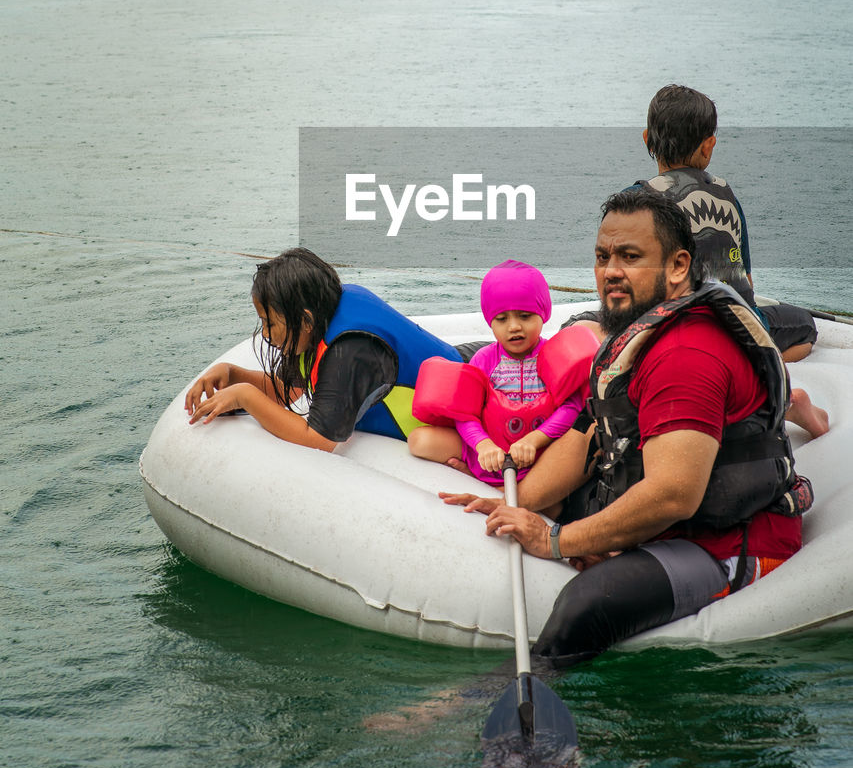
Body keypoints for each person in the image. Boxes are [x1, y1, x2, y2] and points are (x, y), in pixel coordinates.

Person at [442, 188, 813, 666]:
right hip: (673, 523)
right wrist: (514, 504)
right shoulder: (637, 333)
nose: (611, 271)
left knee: (588, 603)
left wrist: (555, 540)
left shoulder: (687, 354)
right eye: (603, 256)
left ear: (679, 266)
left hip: (725, 541)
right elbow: (585, 437)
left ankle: (505, 718)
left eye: (630, 257)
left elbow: (673, 494)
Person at [185, 248, 463, 448]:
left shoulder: (350, 350)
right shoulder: (318, 319)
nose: (266, 334)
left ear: (304, 320)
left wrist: (245, 396)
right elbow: (286, 389)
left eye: (269, 324)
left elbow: (318, 439)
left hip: (472, 398)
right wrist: (231, 373)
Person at [638, 83, 817, 362]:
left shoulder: (633, 200)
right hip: (735, 330)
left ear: (648, 139)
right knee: (805, 325)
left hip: (659, 331)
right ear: (709, 146)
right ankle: (759, 361)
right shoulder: (725, 196)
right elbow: (746, 281)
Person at [408, 260, 599, 484]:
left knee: (556, 506)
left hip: (538, 452)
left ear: (543, 314)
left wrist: (535, 440)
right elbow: (465, 413)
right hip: (490, 451)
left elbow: (571, 406)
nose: (514, 326)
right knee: (419, 440)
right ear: (490, 322)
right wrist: (483, 444)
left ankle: (513, 490)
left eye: (525, 316)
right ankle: (479, 474)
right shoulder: (483, 359)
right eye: (502, 319)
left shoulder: (557, 355)